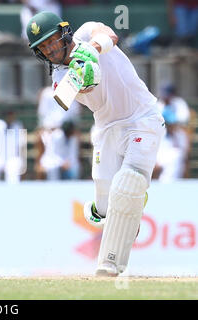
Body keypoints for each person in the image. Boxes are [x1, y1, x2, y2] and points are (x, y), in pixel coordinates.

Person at [26, 12, 165, 276]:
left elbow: (110, 35)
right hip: (106, 129)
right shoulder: (59, 79)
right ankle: (121, 204)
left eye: (52, 40)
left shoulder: (87, 31)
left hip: (142, 118)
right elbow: (79, 89)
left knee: (128, 183)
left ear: (64, 33)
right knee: (104, 208)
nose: (50, 48)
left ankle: (109, 265)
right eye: (43, 46)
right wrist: (82, 72)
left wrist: (91, 49)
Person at [154, 108, 189, 182]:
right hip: (159, 165)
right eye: (169, 124)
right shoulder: (158, 134)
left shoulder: (181, 135)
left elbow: (184, 155)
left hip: (176, 167)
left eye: (173, 124)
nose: (172, 126)